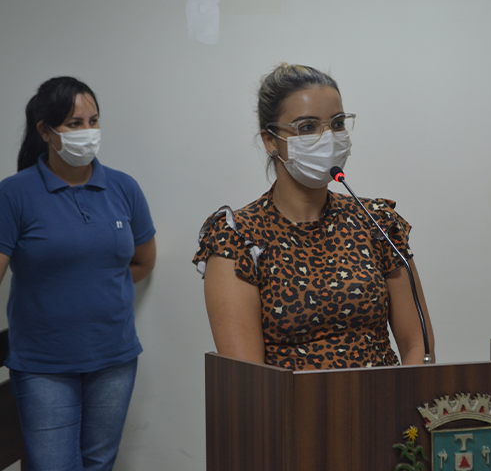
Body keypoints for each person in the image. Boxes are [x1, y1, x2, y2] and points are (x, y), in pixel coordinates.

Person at [193, 63, 434, 370]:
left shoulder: (376, 222)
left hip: (387, 396)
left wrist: (402, 394)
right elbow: (250, 380)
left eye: (337, 123)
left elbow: (418, 345)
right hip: (287, 400)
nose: (327, 138)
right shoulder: (237, 238)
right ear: (270, 140)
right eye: (307, 127)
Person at [0, 77, 156, 470]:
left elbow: (142, 262)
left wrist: (98, 288)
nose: (88, 131)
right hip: (43, 365)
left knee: (98, 463)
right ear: (45, 131)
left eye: (93, 120)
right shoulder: (14, 194)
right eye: (74, 123)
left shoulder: (124, 188)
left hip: (114, 358)